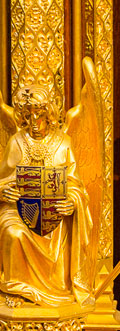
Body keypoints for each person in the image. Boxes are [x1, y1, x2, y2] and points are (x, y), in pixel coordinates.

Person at [0, 85, 96, 305]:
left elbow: (75, 185)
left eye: (39, 114)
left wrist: (72, 201)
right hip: (18, 211)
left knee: (58, 228)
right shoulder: (16, 142)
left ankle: (59, 286)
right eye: (28, 115)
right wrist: (4, 192)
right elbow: (3, 180)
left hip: (54, 216)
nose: (34, 120)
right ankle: (15, 289)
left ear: (49, 114)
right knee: (12, 232)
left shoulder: (63, 143)